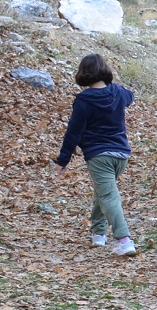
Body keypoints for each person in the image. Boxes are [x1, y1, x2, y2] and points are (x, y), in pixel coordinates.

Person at [53, 54, 136, 257]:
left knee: (108, 195)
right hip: (121, 154)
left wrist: (63, 160)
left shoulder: (83, 101)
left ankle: (124, 240)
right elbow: (130, 96)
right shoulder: (117, 92)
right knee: (103, 192)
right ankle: (98, 233)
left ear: (83, 73)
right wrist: (115, 89)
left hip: (99, 156)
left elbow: (73, 132)